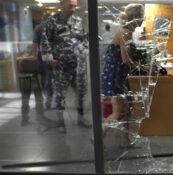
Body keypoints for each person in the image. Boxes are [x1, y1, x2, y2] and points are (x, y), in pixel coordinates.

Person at [40, 0, 91, 133]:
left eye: (75, 6)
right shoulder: (52, 21)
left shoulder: (78, 20)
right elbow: (45, 40)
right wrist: (49, 58)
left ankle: (81, 118)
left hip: (78, 65)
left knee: (81, 92)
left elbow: (84, 38)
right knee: (60, 95)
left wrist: (84, 50)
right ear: (61, 5)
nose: (73, 9)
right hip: (61, 65)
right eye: (70, 6)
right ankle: (60, 123)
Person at [100, 4, 144, 148]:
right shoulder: (124, 32)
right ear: (136, 18)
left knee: (127, 111)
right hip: (115, 76)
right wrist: (143, 66)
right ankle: (97, 137)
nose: (143, 19)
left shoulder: (127, 31)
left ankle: (125, 141)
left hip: (121, 75)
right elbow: (126, 59)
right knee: (118, 112)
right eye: (142, 16)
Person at [32, 12, 53, 110]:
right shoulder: (54, 27)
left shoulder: (38, 28)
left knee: (45, 77)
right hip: (53, 56)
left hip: (43, 56)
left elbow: (34, 43)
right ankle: (51, 98)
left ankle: (48, 99)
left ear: (42, 19)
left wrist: (34, 55)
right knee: (52, 77)